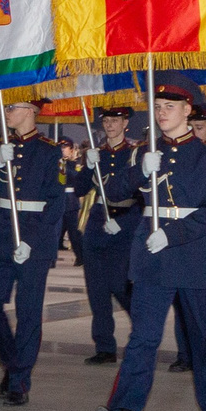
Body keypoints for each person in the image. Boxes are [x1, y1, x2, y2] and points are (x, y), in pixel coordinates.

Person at [93, 80, 206, 411]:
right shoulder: (145, 152)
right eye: (157, 106)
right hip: (153, 257)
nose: (161, 113)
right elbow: (115, 192)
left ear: (188, 111)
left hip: (195, 254)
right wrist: (141, 170)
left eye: (169, 107)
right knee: (143, 337)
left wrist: (174, 234)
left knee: (204, 338)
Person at [0, 96, 66, 407]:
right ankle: (15, 363)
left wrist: (31, 239)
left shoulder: (50, 152)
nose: (6, 113)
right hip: (1, 234)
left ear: (31, 112)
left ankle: (19, 382)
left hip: (33, 240)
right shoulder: (2, 147)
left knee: (28, 314)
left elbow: (56, 203)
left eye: (12, 108)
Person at [76, 104, 140, 362]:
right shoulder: (97, 152)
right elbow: (80, 188)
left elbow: (141, 193)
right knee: (96, 288)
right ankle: (104, 346)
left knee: (120, 284)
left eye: (116, 120)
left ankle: (144, 331)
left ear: (126, 123)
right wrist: (88, 166)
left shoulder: (136, 153)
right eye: (107, 120)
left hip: (125, 221)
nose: (110, 125)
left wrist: (125, 224)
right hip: (97, 221)